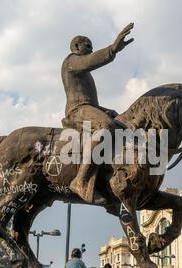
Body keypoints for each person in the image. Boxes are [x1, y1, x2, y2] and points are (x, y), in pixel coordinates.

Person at [61, 23, 134, 204]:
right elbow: (91, 61)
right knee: (106, 126)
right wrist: (113, 49)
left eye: (92, 46)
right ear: (76, 46)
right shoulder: (72, 61)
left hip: (88, 108)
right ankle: (81, 180)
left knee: (118, 124)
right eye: (87, 45)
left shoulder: (82, 69)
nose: (91, 48)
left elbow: (91, 103)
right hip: (77, 111)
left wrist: (108, 111)